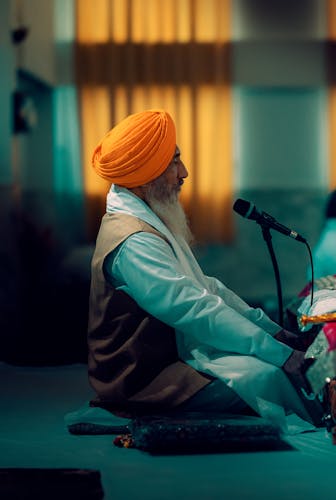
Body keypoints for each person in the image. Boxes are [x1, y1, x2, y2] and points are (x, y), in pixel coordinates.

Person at [87, 109, 321, 428]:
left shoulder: (148, 218)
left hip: (174, 357)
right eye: (174, 161)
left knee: (264, 365)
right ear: (145, 174)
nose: (184, 172)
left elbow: (206, 288)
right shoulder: (134, 241)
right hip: (145, 377)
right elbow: (195, 309)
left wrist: (272, 331)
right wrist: (281, 354)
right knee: (266, 374)